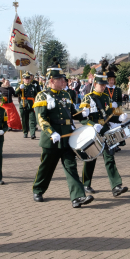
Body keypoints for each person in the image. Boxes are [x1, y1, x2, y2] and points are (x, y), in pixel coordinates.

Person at [32, 59, 93, 208]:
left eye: (63, 79)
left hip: (67, 138)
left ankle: (77, 197)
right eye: (60, 79)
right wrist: (51, 133)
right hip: (52, 139)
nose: (63, 81)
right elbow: (41, 119)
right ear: (51, 80)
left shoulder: (66, 95)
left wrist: (83, 114)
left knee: (71, 167)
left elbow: (72, 114)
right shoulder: (42, 96)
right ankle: (38, 189)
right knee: (47, 167)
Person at [78, 60, 130, 197]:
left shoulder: (106, 98)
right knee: (91, 159)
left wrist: (119, 118)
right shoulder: (88, 98)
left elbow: (109, 115)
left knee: (109, 157)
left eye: (104, 84)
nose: (103, 87)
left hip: (105, 130)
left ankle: (116, 186)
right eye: (101, 84)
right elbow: (82, 118)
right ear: (95, 84)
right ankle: (86, 183)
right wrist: (91, 124)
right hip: (92, 132)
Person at [18, 73, 39, 138]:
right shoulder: (21, 85)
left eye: (28, 79)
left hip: (32, 104)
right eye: (26, 79)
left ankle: (33, 134)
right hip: (23, 104)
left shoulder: (33, 86)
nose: (27, 80)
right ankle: (25, 132)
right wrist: (19, 88)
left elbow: (36, 95)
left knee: (32, 120)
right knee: (24, 120)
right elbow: (15, 93)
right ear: (23, 79)